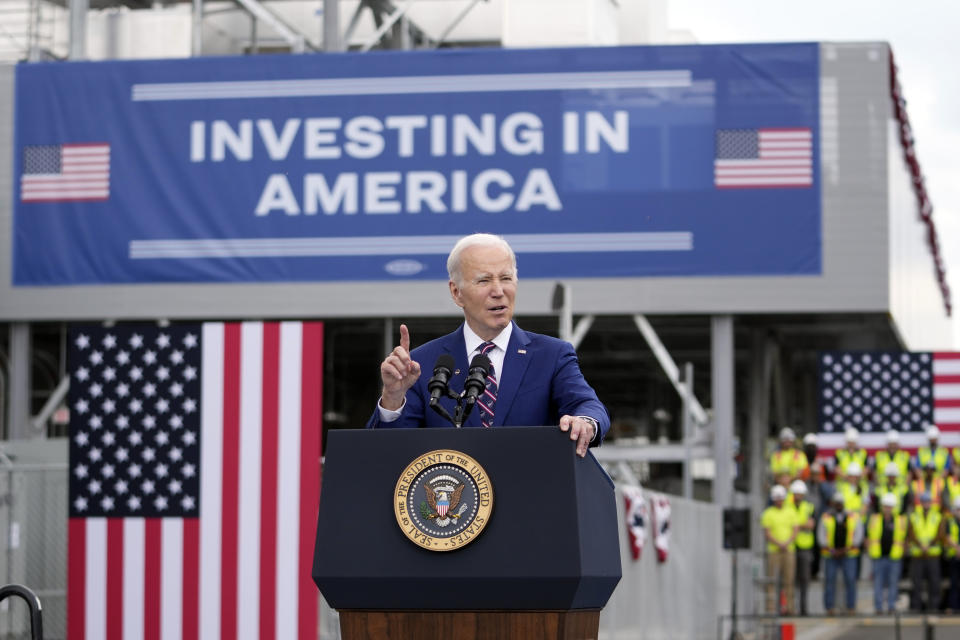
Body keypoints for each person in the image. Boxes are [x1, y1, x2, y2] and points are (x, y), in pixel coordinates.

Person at [367, 233, 609, 457]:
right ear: (456, 292)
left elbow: (586, 404)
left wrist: (585, 422)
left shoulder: (552, 355)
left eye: (506, 278)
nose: (498, 291)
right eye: (484, 281)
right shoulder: (422, 365)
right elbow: (388, 452)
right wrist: (393, 397)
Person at [818, 492, 863, 615]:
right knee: (830, 581)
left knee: (850, 580)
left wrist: (846, 549)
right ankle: (829, 607)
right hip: (831, 554)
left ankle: (851, 606)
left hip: (849, 554)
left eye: (840, 503)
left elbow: (858, 535)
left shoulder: (853, 516)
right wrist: (832, 550)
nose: (838, 505)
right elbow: (821, 536)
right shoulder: (826, 516)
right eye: (836, 503)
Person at [867, 493, 907, 614]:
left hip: (894, 556)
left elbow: (904, 537)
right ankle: (878, 607)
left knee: (893, 582)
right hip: (878, 556)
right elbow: (868, 535)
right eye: (886, 506)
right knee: (878, 582)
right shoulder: (875, 519)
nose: (887, 509)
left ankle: (891, 606)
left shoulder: (900, 520)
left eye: (890, 506)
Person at [762, 485, 798, 615]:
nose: (779, 501)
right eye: (777, 498)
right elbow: (767, 532)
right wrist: (779, 543)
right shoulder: (768, 513)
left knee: (789, 580)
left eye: (781, 498)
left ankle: (789, 607)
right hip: (774, 550)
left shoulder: (790, 511)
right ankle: (771, 608)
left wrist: (786, 542)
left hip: (788, 549)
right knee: (772, 580)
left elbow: (795, 529)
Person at [908, 492, 944, 612]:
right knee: (916, 583)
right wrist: (921, 546)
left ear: (931, 503)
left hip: (932, 554)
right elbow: (911, 533)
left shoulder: (937, 516)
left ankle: (934, 607)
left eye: (928, 501)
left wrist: (929, 545)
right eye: (923, 501)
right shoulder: (914, 516)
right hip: (918, 555)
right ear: (921, 503)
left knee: (934, 582)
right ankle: (916, 607)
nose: (926, 504)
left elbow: (940, 534)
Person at [790, 480, 816, 615]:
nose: (798, 496)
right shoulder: (787, 506)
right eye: (796, 493)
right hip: (791, 546)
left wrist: (795, 526)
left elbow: (811, 525)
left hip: (805, 546)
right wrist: (801, 524)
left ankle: (803, 608)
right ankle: (791, 608)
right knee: (790, 579)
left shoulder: (808, 507)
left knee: (804, 579)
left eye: (800, 493)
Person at [945, 496, 960, 612]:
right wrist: (957, 549)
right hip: (953, 556)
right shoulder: (950, 521)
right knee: (953, 582)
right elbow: (948, 537)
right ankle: (953, 606)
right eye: (958, 509)